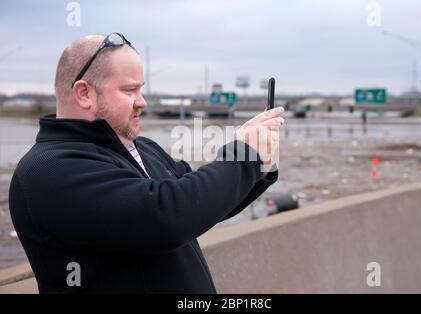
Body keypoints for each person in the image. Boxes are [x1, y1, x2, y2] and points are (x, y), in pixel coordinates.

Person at [8, 33, 284, 293]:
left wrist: (259, 163)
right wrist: (243, 156)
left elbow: (202, 204)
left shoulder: (142, 149)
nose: (142, 102)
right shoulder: (48, 169)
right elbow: (165, 217)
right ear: (84, 93)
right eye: (130, 90)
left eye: (141, 90)